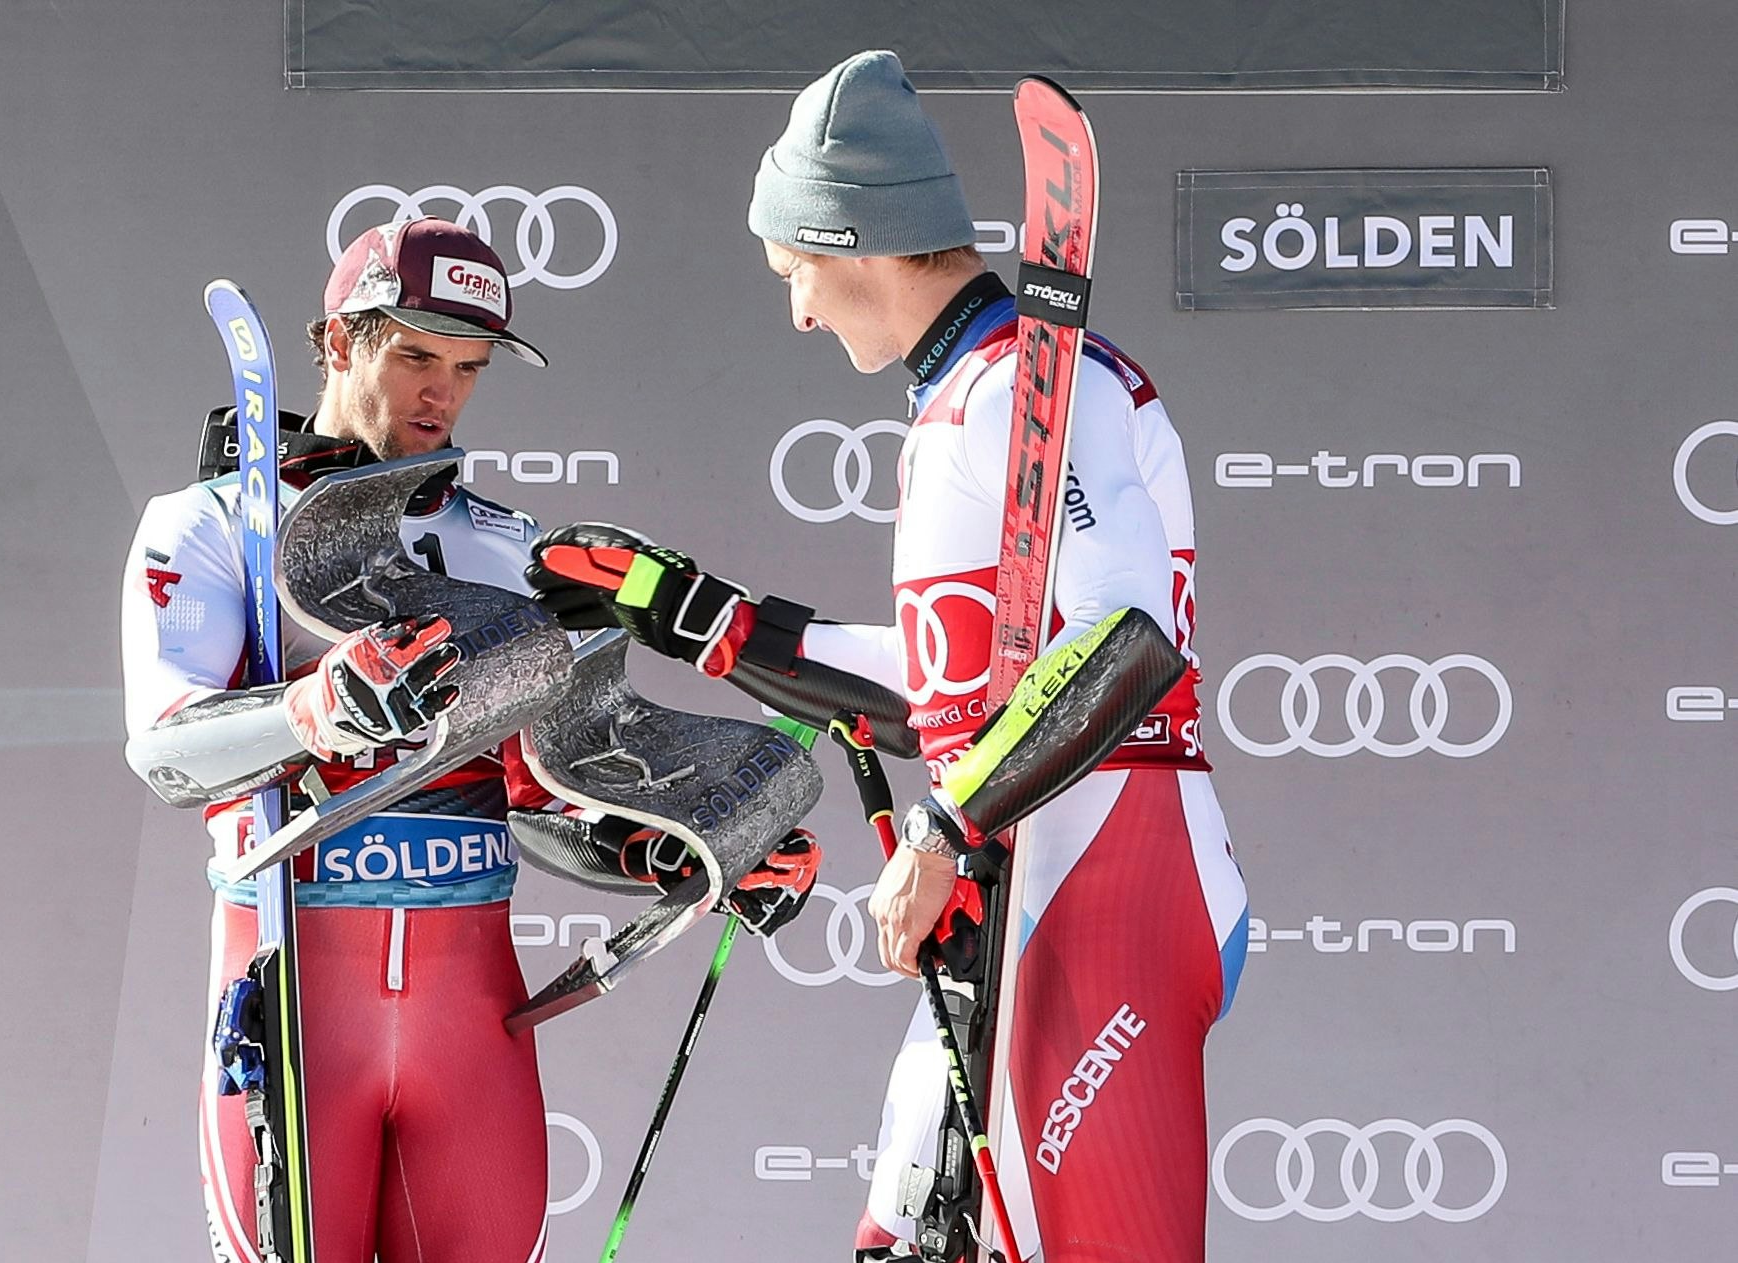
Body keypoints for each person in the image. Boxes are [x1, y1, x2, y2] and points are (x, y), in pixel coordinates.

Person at [525, 51, 1249, 1263]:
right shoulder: (962, 400)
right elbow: (957, 692)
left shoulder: (1033, 378)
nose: (797, 311)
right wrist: (696, 615)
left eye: (794, 271)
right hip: (1026, 881)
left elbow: (1127, 643)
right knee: (906, 1237)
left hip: (1110, 874)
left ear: (849, 235)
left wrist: (945, 826)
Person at [119, 216, 820, 1263]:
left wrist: (673, 854)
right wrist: (319, 710)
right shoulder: (213, 522)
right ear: (335, 343)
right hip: (301, 996)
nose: (438, 394)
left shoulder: (509, 547)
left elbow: (541, 799)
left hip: (467, 1020)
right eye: (412, 356)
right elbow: (168, 753)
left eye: (466, 367)